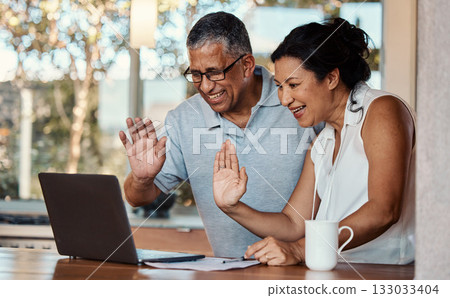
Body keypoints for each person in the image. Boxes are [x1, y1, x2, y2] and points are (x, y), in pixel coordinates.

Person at [213, 18, 415, 265]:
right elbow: (293, 223)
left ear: (331, 78)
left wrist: (300, 250)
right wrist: (231, 206)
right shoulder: (321, 143)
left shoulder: (382, 110)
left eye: (294, 85)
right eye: (280, 86)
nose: (285, 99)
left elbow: (385, 210)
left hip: (387, 274)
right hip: (335, 274)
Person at [119, 12, 322, 257]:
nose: (205, 86)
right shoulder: (184, 119)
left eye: (215, 72)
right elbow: (136, 198)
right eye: (196, 74)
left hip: (305, 268)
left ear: (246, 65)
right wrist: (141, 180)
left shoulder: (297, 103)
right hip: (228, 273)